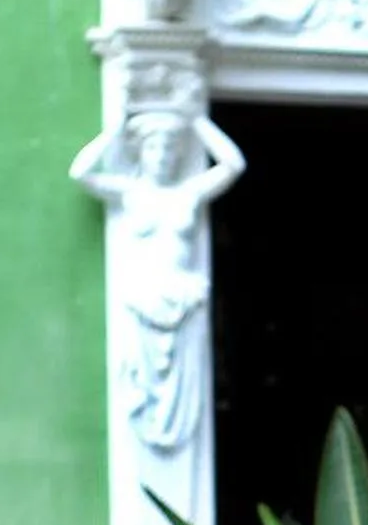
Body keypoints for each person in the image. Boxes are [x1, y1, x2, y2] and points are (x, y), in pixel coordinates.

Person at [70, 107, 246, 454]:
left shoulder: (188, 194)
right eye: (154, 148)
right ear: (142, 152)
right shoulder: (130, 192)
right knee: (140, 387)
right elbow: (80, 173)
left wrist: (197, 120)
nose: (162, 157)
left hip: (183, 299)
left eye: (169, 149)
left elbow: (233, 164)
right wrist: (113, 131)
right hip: (143, 302)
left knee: (186, 391)